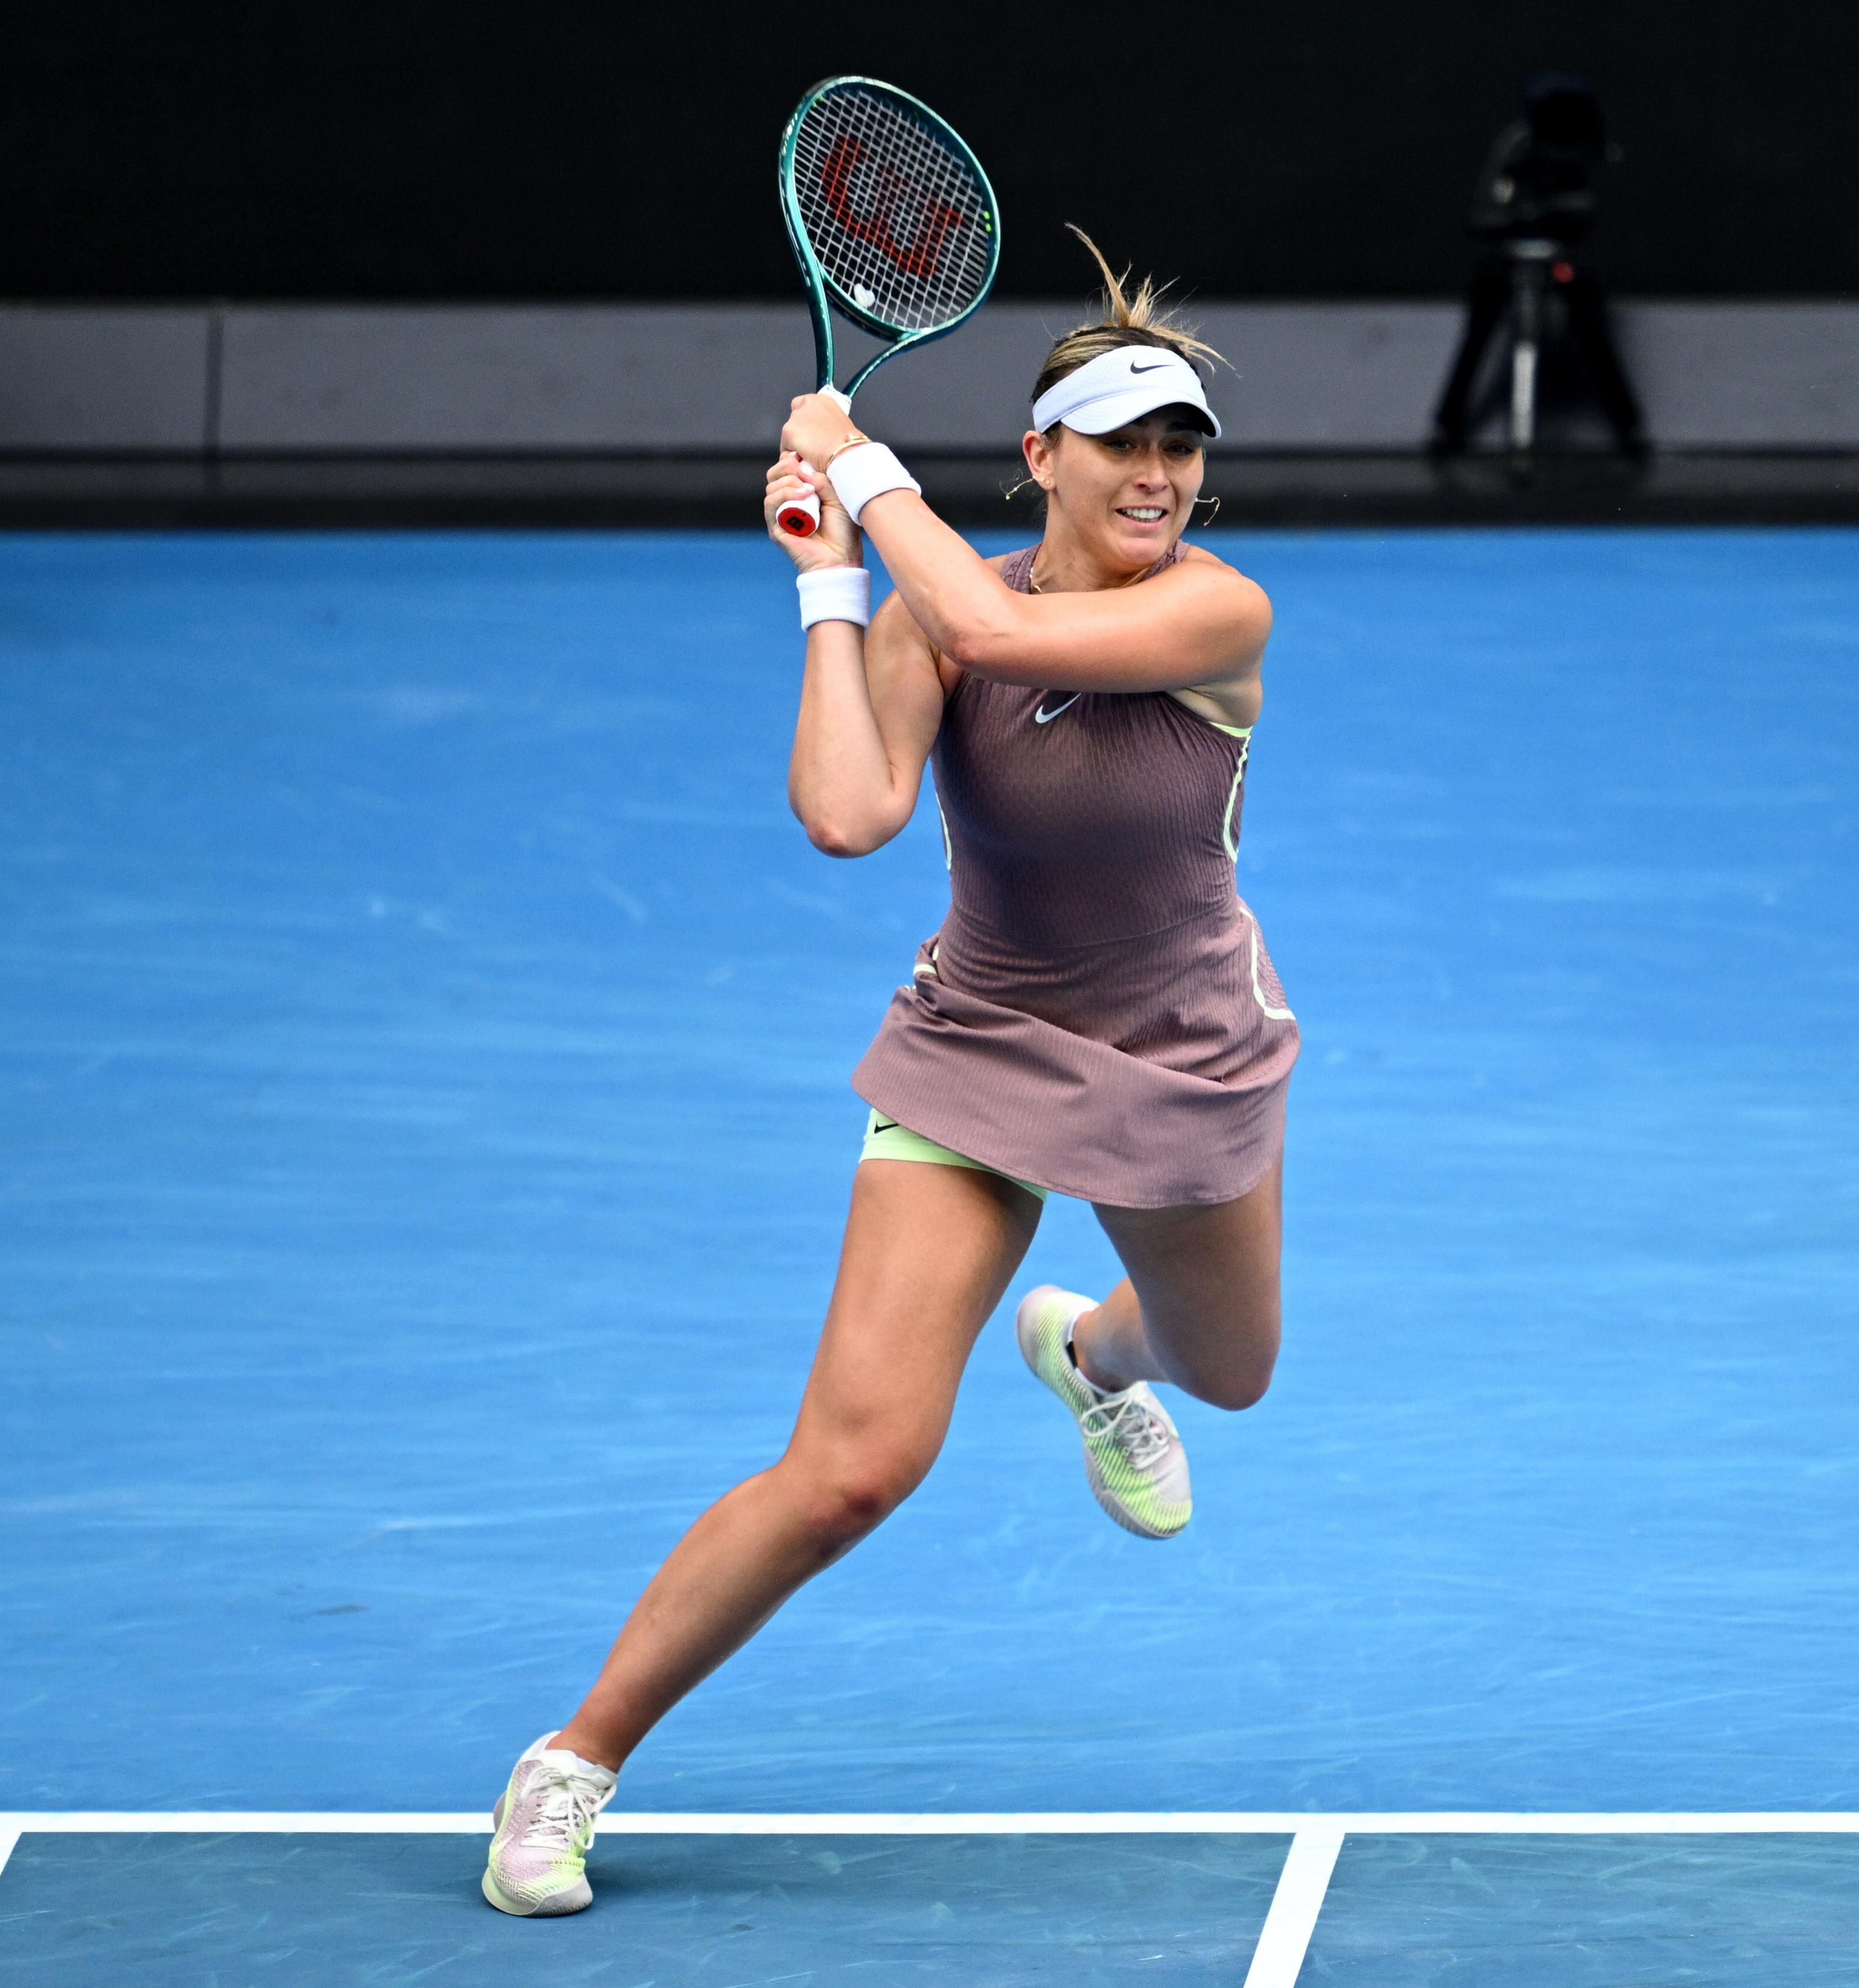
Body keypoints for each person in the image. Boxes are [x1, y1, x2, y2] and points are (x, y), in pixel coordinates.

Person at [480, 237, 1295, 1918]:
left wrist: (863, 470)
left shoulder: (1218, 607)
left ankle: (1085, 1346)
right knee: (855, 1464)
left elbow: (998, 621)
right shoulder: (936, 608)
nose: (1160, 475)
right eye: (1125, 441)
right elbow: (850, 814)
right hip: (981, 1046)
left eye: (1184, 445)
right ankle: (569, 1763)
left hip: (1183, 1053)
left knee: (1229, 1372)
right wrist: (828, 588)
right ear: (1043, 456)